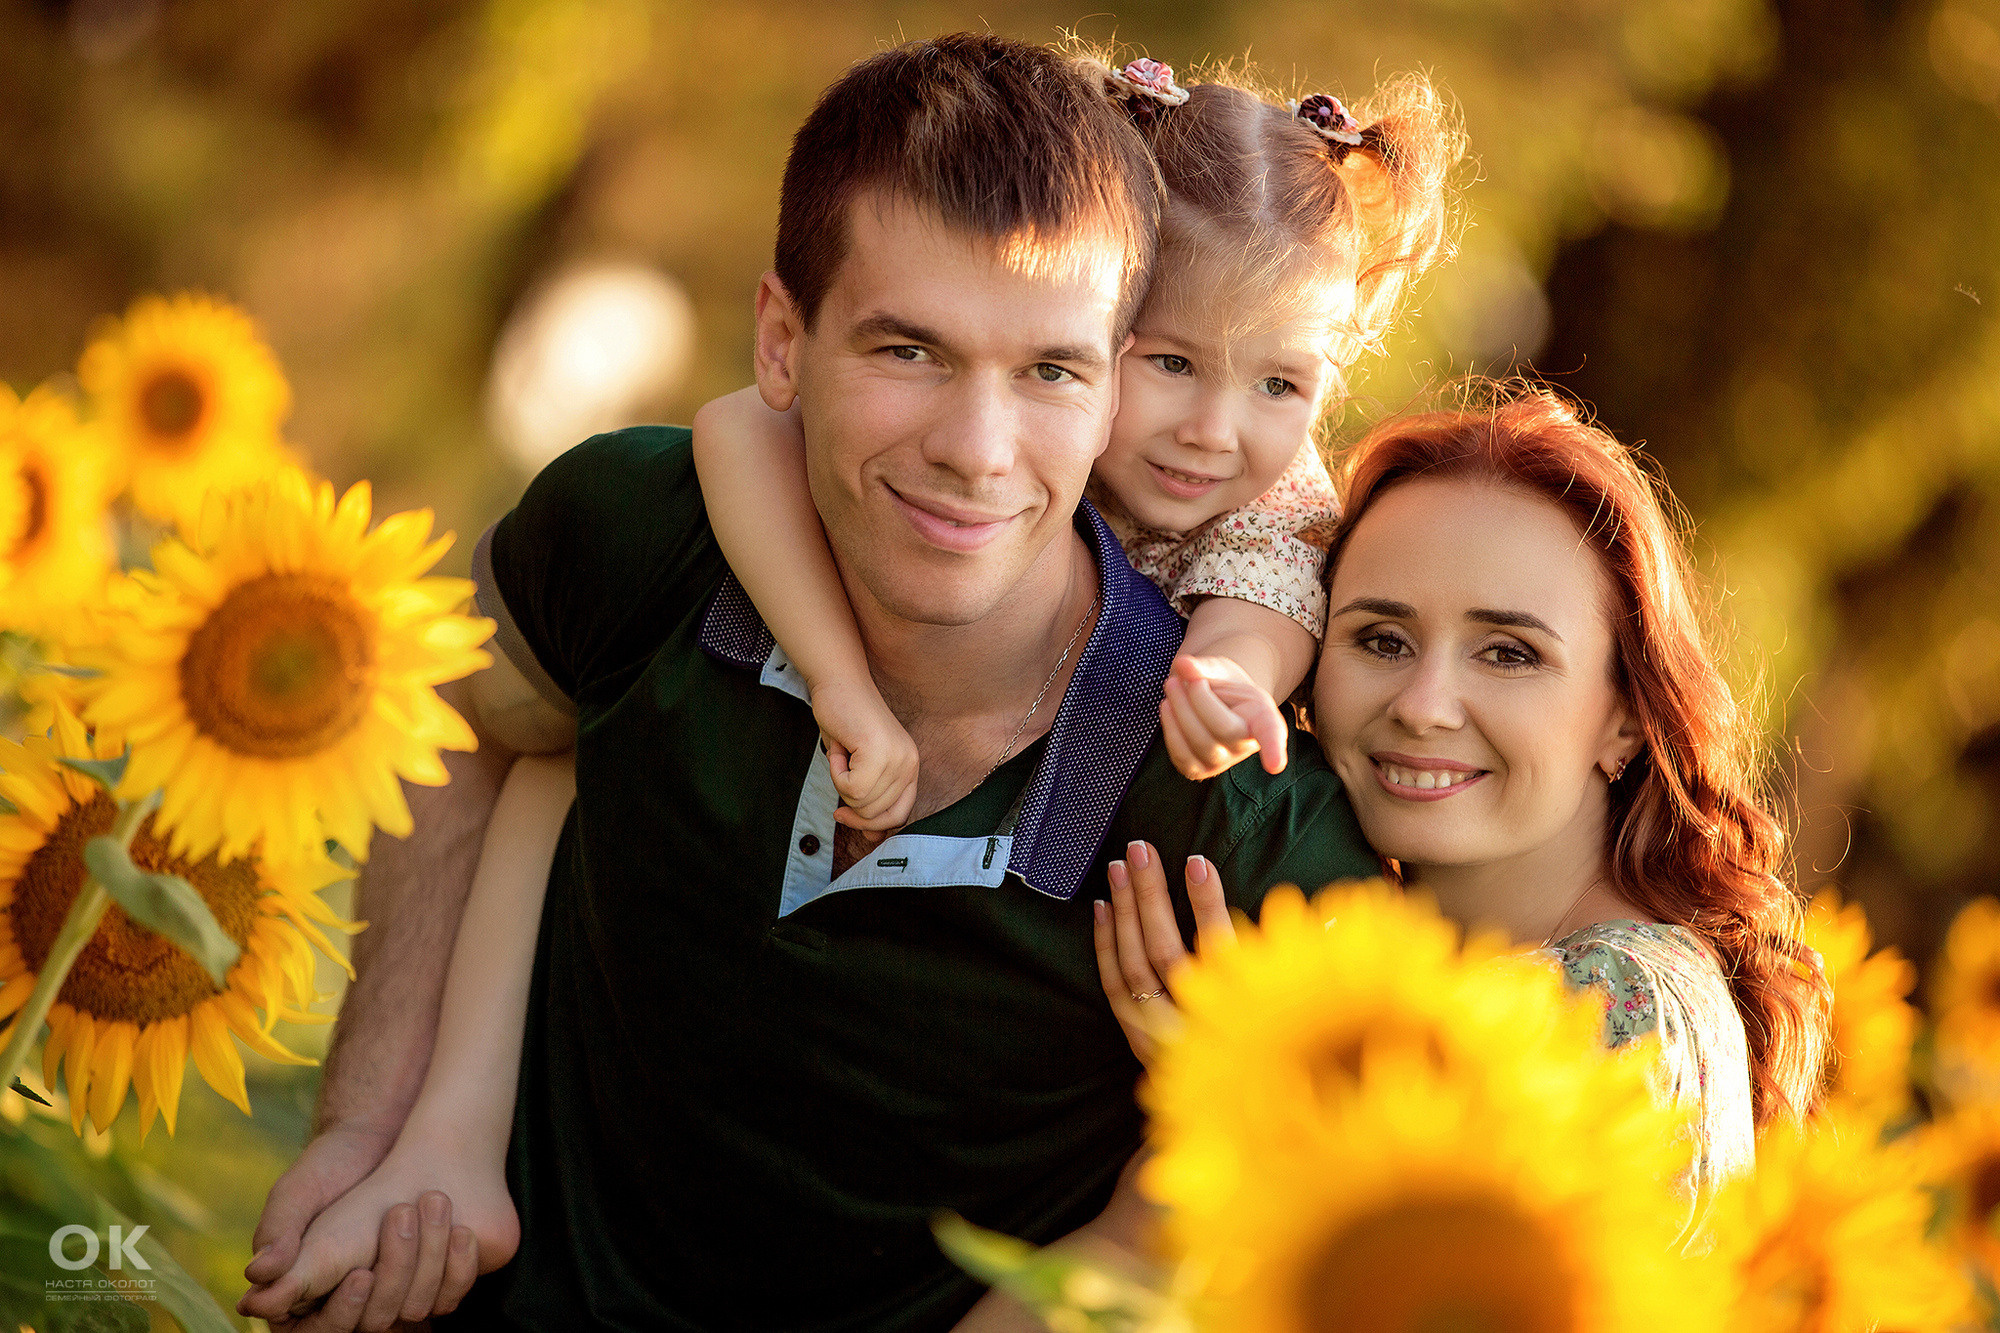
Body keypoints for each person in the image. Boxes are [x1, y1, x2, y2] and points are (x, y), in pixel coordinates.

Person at [238, 34, 1385, 1333]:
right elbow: (456, 709)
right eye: (909, 351)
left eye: (1052, 369)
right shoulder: (641, 534)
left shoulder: (1236, 826)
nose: (974, 449)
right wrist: (383, 1130)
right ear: (782, 344)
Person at [1097, 385, 1833, 1204]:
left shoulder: (1618, 1008)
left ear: (1626, 717)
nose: (1422, 704)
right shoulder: (1414, 968)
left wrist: (1258, 1107)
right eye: (1382, 639)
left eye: (1508, 653)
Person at [691, 53, 1457, 831]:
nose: (1213, 432)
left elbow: (1259, 617)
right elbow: (736, 428)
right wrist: (839, 680)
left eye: (1279, 385)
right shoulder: (1026, 415)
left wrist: (1225, 682)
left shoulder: (1278, 502)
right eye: (1172, 362)